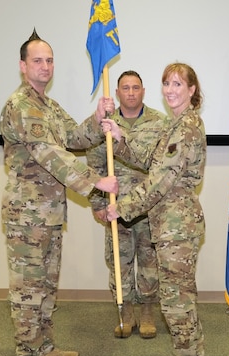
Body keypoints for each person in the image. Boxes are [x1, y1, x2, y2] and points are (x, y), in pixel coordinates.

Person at [0, 29, 118, 356]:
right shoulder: (21, 106)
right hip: (27, 215)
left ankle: (45, 346)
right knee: (28, 286)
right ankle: (27, 353)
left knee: (47, 284)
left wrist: (98, 119)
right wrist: (95, 181)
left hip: (49, 212)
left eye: (49, 60)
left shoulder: (47, 105)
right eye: (37, 60)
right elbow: (51, 155)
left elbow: (72, 138)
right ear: (23, 66)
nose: (45, 66)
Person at [103, 62, 206, 356]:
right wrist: (120, 139)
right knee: (178, 297)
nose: (170, 90)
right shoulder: (174, 126)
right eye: (166, 84)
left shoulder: (186, 127)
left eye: (178, 84)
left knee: (177, 301)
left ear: (191, 91)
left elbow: (160, 180)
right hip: (169, 223)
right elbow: (151, 159)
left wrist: (123, 208)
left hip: (177, 224)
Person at [87, 70, 165, 339]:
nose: (131, 93)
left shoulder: (160, 123)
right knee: (118, 262)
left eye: (136, 88)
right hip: (115, 208)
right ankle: (125, 311)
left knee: (149, 262)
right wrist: (97, 202)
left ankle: (146, 311)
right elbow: (95, 165)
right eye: (125, 88)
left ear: (143, 91)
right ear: (117, 93)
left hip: (148, 208)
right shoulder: (105, 123)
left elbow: (163, 168)